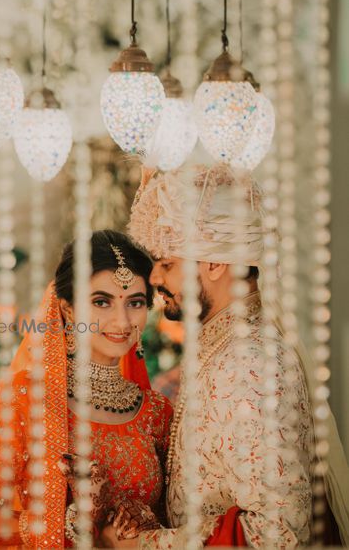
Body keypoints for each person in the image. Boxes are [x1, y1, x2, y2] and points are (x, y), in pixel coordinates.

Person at [100, 164, 349, 548]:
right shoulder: (224, 349)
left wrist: (141, 545)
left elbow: (280, 533)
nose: (154, 280)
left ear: (214, 263)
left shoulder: (249, 365)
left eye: (166, 264)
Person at [0, 230, 173, 548]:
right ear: (68, 310)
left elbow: (175, 521)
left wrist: (147, 523)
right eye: (102, 302)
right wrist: (74, 520)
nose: (122, 320)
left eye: (135, 302)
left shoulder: (156, 412)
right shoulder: (24, 400)